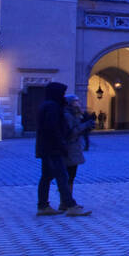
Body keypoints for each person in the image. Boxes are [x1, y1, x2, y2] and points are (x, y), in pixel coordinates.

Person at [35, 81, 89, 216]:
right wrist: (61, 144)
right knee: (62, 176)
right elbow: (53, 128)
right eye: (62, 93)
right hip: (53, 148)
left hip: (45, 147)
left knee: (46, 177)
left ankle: (43, 206)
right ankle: (70, 205)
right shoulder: (53, 107)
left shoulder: (46, 105)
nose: (63, 96)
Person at [64, 95, 88, 187]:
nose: (78, 103)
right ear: (70, 103)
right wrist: (85, 125)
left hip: (74, 148)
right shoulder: (68, 115)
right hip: (69, 148)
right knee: (69, 176)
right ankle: (66, 199)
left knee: (71, 175)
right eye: (76, 101)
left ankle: (67, 198)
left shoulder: (75, 114)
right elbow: (71, 132)